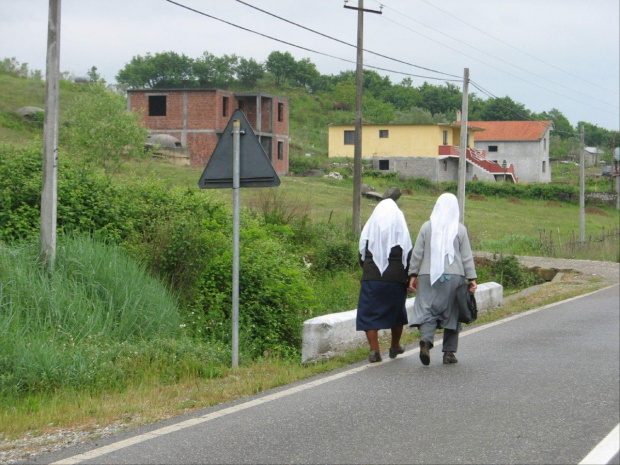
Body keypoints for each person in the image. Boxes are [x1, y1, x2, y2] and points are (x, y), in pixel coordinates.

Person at [407, 193, 477, 366]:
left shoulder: (426, 227)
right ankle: (448, 353)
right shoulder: (459, 229)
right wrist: (472, 278)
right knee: (453, 312)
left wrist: (413, 274)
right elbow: (466, 256)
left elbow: (417, 253)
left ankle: (426, 340)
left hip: (427, 275)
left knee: (427, 310)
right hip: (455, 276)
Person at [357, 198, 413, 363]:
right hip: (396, 279)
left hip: (371, 278)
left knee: (369, 314)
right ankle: (395, 345)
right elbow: (409, 254)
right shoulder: (401, 232)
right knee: (396, 313)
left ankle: (374, 350)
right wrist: (410, 277)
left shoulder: (369, 232)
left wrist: (369, 270)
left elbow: (361, 254)